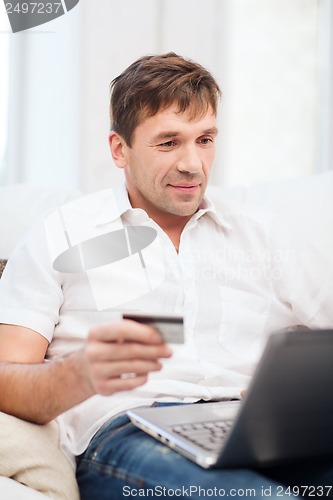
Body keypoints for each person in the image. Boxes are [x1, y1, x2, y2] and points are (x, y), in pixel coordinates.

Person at [0, 52, 332, 499]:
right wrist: (77, 374)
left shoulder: (263, 237)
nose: (193, 164)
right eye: (169, 143)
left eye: (205, 139)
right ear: (120, 149)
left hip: (254, 430)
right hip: (130, 435)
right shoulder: (61, 234)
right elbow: (5, 379)